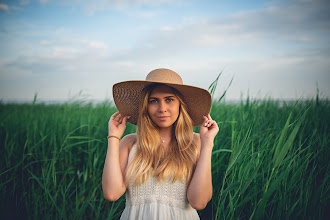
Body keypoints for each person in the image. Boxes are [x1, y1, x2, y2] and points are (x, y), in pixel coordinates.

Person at [102, 68, 219, 220]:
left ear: (180, 105)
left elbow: (199, 202)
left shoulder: (195, 142)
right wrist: (113, 137)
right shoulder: (130, 143)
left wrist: (208, 143)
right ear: (146, 106)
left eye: (169, 99)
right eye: (154, 101)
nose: (162, 108)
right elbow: (111, 193)